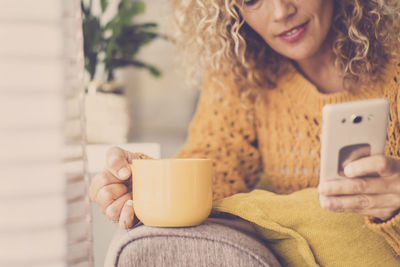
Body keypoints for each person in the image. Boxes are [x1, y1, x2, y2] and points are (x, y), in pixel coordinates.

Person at [89, 0, 400, 255]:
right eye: (252, 0)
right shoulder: (241, 73)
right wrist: (143, 185)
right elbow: (212, 174)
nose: (281, 12)